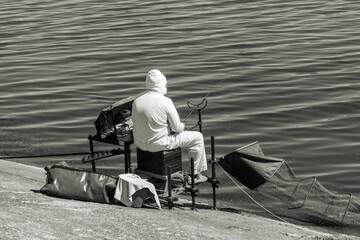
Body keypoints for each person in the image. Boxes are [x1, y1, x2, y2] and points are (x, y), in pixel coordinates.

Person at [132, 69, 208, 184]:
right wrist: (182, 126)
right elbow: (177, 128)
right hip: (159, 144)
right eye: (165, 84)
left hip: (140, 143)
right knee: (197, 138)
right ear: (161, 84)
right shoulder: (166, 101)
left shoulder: (137, 100)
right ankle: (195, 175)